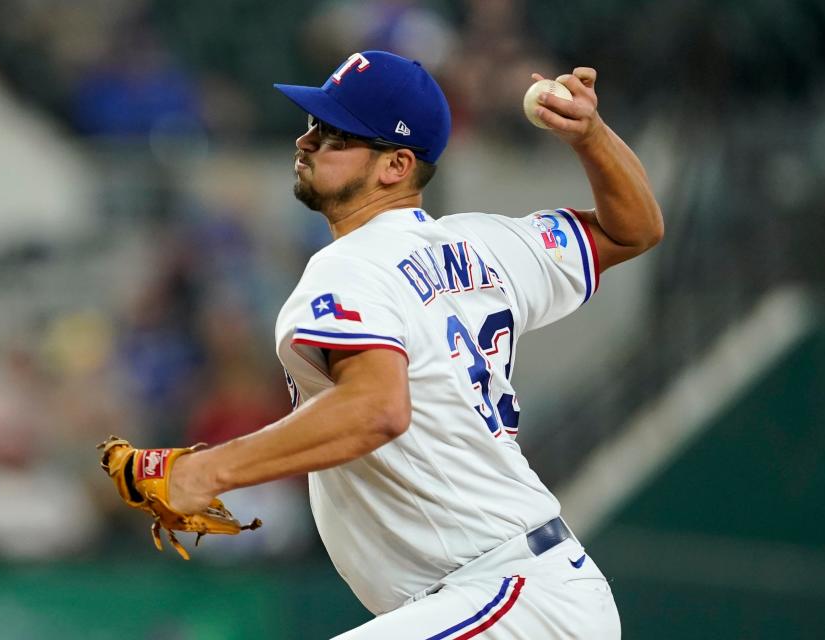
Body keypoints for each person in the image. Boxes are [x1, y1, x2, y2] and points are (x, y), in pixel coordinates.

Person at [167, 50, 662, 638]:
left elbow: (377, 409)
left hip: (503, 595)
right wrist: (593, 137)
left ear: (396, 164)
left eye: (332, 133)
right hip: (518, 594)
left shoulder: (348, 267)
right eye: (311, 125)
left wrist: (209, 470)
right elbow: (634, 227)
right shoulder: (489, 247)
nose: (306, 141)